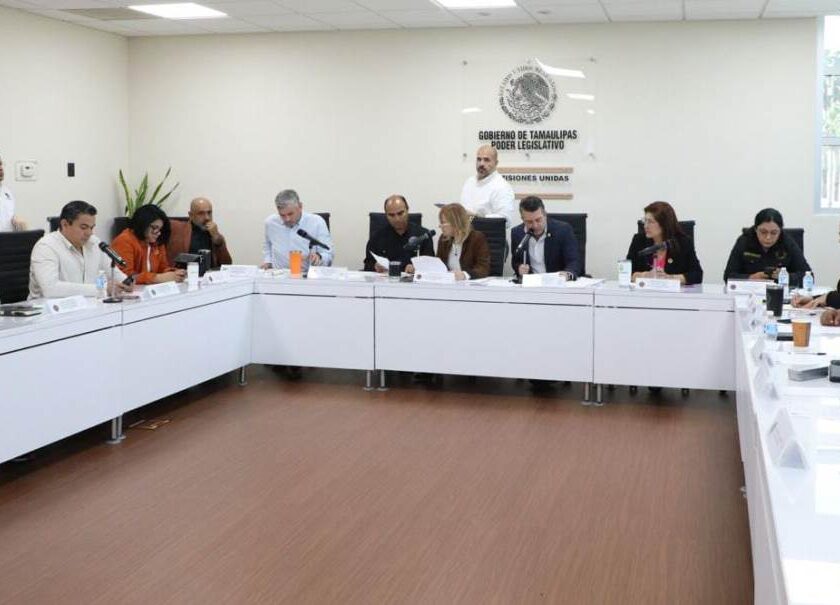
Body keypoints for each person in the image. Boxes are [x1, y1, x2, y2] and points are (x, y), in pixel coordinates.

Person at [29, 200, 133, 298]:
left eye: (91, 227)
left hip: (87, 305)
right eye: (83, 227)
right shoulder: (46, 247)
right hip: (49, 309)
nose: (89, 233)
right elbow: (50, 289)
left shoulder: (94, 242)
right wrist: (101, 289)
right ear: (64, 224)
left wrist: (125, 283)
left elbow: (114, 274)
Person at [723, 208, 810, 286]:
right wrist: (750, 278)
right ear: (755, 229)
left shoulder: (787, 242)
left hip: (780, 292)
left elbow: (808, 276)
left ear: (780, 231)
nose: (768, 237)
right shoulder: (744, 241)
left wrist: (786, 277)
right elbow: (728, 276)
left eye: (774, 233)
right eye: (763, 232)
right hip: (751, 292)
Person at [626, 201, 703, 285]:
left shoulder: (683, 242)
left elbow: (697, 275)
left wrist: (670, 278)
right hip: (644, 291)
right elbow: (626, 273)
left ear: (664, 224)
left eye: (650, 222)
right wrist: (645, 275)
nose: (645, 226)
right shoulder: (639, 240)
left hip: (674, 293)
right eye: (645, 221)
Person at [510, 195, 581, 279]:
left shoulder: (563, 230)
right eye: (529, 222)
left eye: (538, 220)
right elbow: (516, 261)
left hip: (557, 281)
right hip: (531, 283)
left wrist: (567, 274)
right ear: (522, 219)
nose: (535, 225)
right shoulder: (517, 233)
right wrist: (519, 268)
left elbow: (574, 261)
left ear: (545, 215)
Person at [112, 205, 185, 284]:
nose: (158, 233)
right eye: (154, 228)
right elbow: (124, 276)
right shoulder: (124, 240)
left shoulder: (157, 242)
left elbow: (163, 268)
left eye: (160, 229)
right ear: (142, 224)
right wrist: (156, 278)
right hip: (131, 289)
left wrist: (175, 273)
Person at [261, 189, 333, 270]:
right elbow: (268, 245)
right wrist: (268, 261)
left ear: (300, 206)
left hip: (307, 274)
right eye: (282, 215)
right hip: (278, 274)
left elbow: (328, 254)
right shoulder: (270, 223)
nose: (287, 219)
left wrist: (319, 258)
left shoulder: (317, 222)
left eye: (290, 214)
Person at [363, 194, 433, 273]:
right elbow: (368, 265)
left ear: (407, 210)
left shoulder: (423, 235)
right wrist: (375, 266)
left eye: (400, 213)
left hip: (412, 279)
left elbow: (430, 266)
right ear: (386, 215)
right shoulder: (377, 237)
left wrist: (417, 268)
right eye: (391, 215)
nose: (397, 219)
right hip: (386, 279)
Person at [166, 197, 232, 269]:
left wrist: (218, 240)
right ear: (191, 215)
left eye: (209, 213)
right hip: (185, 273)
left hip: (209, 273)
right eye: (201, 213)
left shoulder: (215, 234)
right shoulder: (177, 229)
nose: (207, 217)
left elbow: (227, 265)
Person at [460, 144, 515, 226]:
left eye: (486, 160)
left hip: (487, 233)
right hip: (465, 232)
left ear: (496, 163)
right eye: (479, 159)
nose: (481, 163)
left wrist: (479, 218)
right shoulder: (469, 182)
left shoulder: (502, 187)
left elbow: (506, 220)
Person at [436, 203, 490, 280]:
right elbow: (438, 265)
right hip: (448, 283)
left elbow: (483, 269)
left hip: (470, 285)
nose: (440, 226)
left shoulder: (477, 238)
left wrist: (464, 275)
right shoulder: (444, 239)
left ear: (455, 222)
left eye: (443, 222)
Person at [0, 154, 27, 232]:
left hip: (7, 238)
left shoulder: (7, 193)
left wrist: (15, 220)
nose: (1, 168)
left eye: (1, 164)